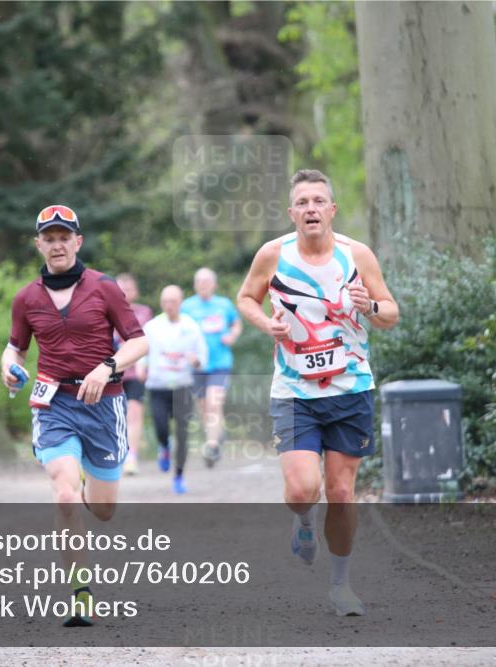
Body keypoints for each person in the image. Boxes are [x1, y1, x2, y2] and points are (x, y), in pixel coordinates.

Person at [236, 169, 399, 616]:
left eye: (318, 201)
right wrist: (265, 323)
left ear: (332, 210)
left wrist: (373, 307)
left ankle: (341, 584)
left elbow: (391, 313)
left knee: (342, 493)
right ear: (291, 213)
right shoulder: (272, 255)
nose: (311, 208)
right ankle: (303, 520)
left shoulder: (356, 254)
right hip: (294, 390)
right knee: (302, 489)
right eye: (302, 202)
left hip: (351, 387)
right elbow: (246, 298)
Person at [0, 204, 148, 627]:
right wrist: (8, 367)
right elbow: (16, 348)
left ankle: (88, 489)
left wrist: (108, 367)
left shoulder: (103, 287)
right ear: (39, 244)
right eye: (49, 238)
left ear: (77, 242)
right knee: (63, 494)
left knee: (102, 510)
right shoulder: (26, 297)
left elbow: (138, 342)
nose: (57, 244)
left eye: (65, 237)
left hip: (103, 406)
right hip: (54, 404)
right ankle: (81, 593)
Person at [141, 285, 208, 494]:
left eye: (173, 301)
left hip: (182, 386)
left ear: (180, 302)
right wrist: (141, 366)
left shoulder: (191, 326)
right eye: (165, 302)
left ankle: (179, 476)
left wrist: (196, 361)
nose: (168, 306)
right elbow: (142, 349)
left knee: (183, 433)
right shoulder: (152, 326)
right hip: (158, 385)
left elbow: (202, 358)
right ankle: (164, 446)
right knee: (161, 427)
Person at [181, 267, 241, 468]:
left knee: (214, 402)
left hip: (220, 363)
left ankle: (212, 446)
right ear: (195, 284)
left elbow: (236, 324)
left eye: (207, 281)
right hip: (197, 365)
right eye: (199, 281)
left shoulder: (223, 305)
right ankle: (217, 435)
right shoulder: (187, 307)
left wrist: (232, 335)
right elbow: (179, 332)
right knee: (204, 407)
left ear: (214, 284)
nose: (203, 285)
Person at [114, 273, 153, 475]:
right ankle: (113, 454)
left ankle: (132, 456)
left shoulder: (145, 312)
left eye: (129, 288)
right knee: (112, 416)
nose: (125, 292)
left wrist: (146, 365)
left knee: (134, 413)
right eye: (121, 289)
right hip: (111, 372)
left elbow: (149, 341)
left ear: (136, 291)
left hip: (136, 371)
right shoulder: (106, 311)